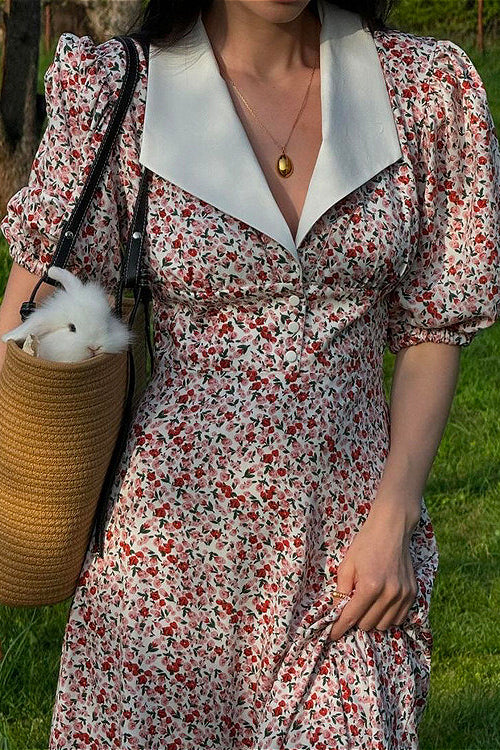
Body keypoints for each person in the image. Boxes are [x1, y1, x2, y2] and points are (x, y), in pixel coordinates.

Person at [0, 0, 499, 747]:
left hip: (350, 557)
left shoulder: (421, 90)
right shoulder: (122, 94)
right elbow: (27, 320)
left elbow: (434, 325)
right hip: (160, 565)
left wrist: (395, 516)